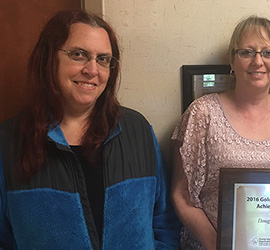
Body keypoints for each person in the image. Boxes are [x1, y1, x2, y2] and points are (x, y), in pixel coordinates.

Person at [0, 10, 180, 249]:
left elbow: (164, 222)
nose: (92, 70)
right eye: (78, 55)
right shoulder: (9, 141)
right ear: (48, 59)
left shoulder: (137, 130)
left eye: (103, 59)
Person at [171, 15, 270, 250]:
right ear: (232, 61)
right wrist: (218, 245)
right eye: (247, 52)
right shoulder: (203, 113)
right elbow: (181, 196)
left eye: (267, 53)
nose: (258, 61)